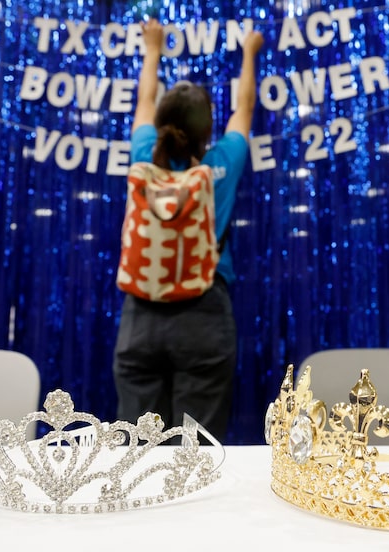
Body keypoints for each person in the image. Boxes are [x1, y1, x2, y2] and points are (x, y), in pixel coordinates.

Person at [113, 19, 264, 441]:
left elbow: (144, 97)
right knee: (196, 455)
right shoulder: (222, 161)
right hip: (204, 310)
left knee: (136, 455)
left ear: (161, 123)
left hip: (142, 310)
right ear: (207, 129)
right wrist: (249, 53)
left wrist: (153, 49)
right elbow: (245, 108)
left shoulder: (144, 153)